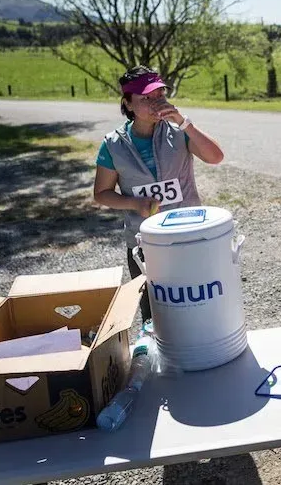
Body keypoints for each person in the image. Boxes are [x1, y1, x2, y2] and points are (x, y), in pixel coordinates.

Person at [93, 65, 224, 322]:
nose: (156, 103)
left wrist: (183, 122)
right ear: (128, 104)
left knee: (198, 306)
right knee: (155, 314)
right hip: (144, 243)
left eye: (159, 95)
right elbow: (102, 193)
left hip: (188, 236)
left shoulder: (179, 132)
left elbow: (216, 157)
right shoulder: (113, 145)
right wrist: (133, 203)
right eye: (146, 98)